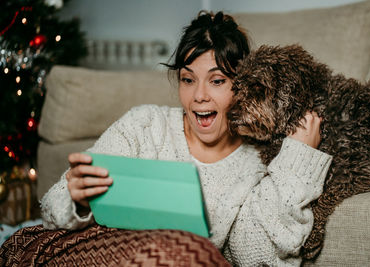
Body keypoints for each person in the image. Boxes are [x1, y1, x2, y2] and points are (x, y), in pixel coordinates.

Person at [40, 11, 332, 266]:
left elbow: (255, 258)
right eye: (187, 79)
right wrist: (76, 199)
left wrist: (297, 159)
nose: (199, 95)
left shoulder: (258, 161)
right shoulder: (144, 125)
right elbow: (52, 210)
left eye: (217, 81)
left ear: (242, 87)